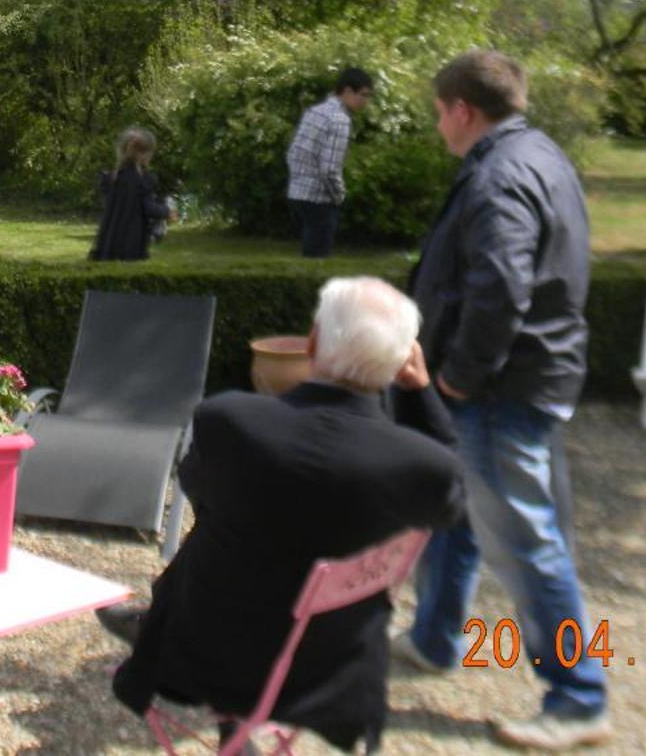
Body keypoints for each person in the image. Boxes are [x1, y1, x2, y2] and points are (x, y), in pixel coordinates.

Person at [99, 277, 465, 753]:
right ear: (402, 362)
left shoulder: (229, 420)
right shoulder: (421, 465)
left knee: (223, 523)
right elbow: (451, 498)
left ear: (312, 343)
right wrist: (418, 392)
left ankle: (153, 624)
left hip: (208, 658)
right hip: (336, 672)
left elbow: (197, 491)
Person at [400, 50, 608, 750]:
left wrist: (458, 376)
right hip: (530, 378)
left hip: (500, 388)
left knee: (526, 540)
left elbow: (502, 287)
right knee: (454, 515)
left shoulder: (498, 174)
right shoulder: (540, 153)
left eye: (438, 113)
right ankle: (434, 637)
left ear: (462, 109)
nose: (438, 126)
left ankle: (579, 696)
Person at [285, 67, 373, 258]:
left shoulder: (314, 112)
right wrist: (339, 195)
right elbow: (329, 169)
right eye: (364, 95)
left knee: (307, 260)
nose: (365, 101)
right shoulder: (340, 120)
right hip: (319, 199)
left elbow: (293, 153)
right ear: (348, 91)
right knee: (318, 263)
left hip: (297, 194)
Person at [89, 127, 171, 261]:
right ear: (143, 154)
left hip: (109, 238)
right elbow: (148, 208)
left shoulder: (112, 178)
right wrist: (167, 211)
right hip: (132, 240)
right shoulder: (144, 180)